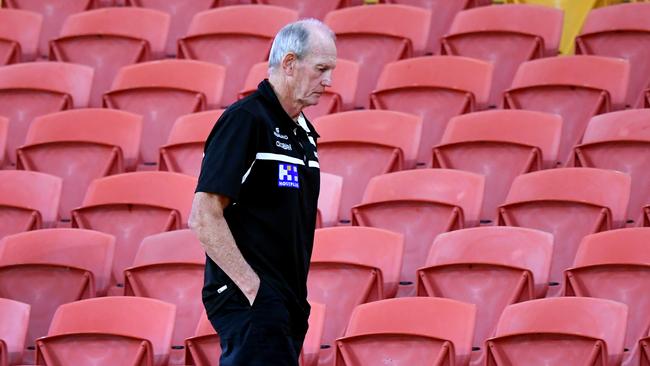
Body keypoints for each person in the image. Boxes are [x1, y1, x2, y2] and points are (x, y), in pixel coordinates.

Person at [188, 18, 336, 366]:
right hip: (253, 301)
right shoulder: (246, 120)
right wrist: (255, 290)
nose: (329, 81)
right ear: (289, 63)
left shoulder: (304, 134)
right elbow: (203, 216)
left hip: (287, 302)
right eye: (321, 69)